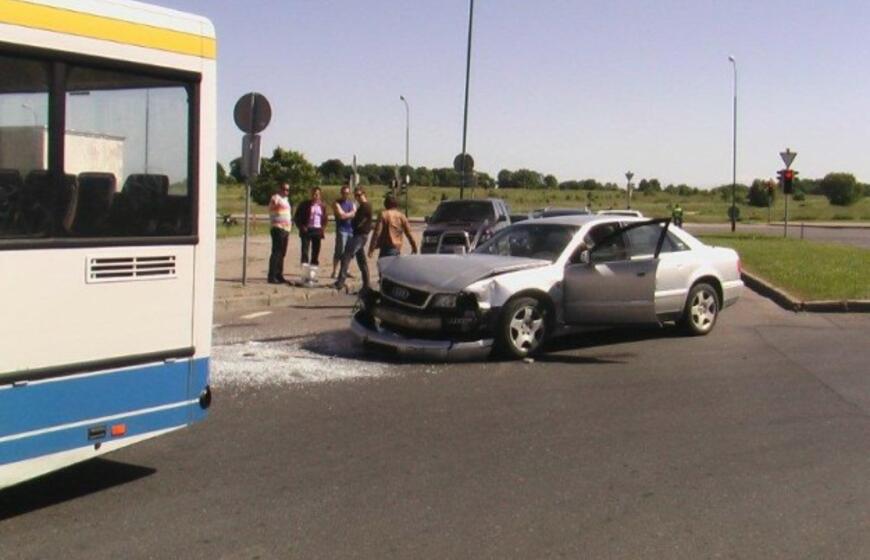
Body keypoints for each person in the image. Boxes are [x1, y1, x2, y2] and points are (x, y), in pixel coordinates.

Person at [334, 187, 373, 291]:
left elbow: (359, 222)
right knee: (362, 261)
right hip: (359, 235)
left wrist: (354, 222)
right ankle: (366, 284)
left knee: (346, 256)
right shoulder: (362, 206)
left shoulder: (366, 206)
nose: (358, 197)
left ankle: (340, 282)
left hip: (360, 236)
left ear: (364, 194)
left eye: (359, 195)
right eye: (356, 195)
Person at [368, 194, 417, 259]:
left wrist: (371, 249)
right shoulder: (401, 216)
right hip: (397, 249)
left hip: (385, 249)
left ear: (385, 204)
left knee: (384, 268)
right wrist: (414, 247)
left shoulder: (383, 215)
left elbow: (377, 233)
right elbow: (409, 234)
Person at [293, 186, 328, 268]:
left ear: (320, 195)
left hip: (317, 230)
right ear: (311, 195)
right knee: (305, 251)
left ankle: (313, 270)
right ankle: (304, 270)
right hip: (307, 230)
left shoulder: (322, 206)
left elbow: (325, 218)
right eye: (314, 194)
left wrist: (322, 228)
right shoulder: (304, 205)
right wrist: (301, 227)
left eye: (317, 194)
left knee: (316, 252)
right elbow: (296, 217)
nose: (315, 196)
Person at [267, 182, 291, 284]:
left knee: (282, 253)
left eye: (287, 190)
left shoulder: (286, 200)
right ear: (280, 189)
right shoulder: (276, 197)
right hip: (278, 228)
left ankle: (279, 274)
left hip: (286, 229)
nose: (286, 191)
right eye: (284, 189)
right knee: (276, 252)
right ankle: (272, 276)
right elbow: (272, 205)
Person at [331, 184, 356, 278]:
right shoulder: (336, 203)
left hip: (351, 230)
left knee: (349, 252)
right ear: (341, 193)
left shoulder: (351, 203)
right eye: (344, 193)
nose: (346, 195)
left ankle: (346, 270)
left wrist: (348, 214)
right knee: (339, 250)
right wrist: (351, 213)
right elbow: (341, 215)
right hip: (341, 230)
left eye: (348, 193)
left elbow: (354, 214)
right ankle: (335, 271)